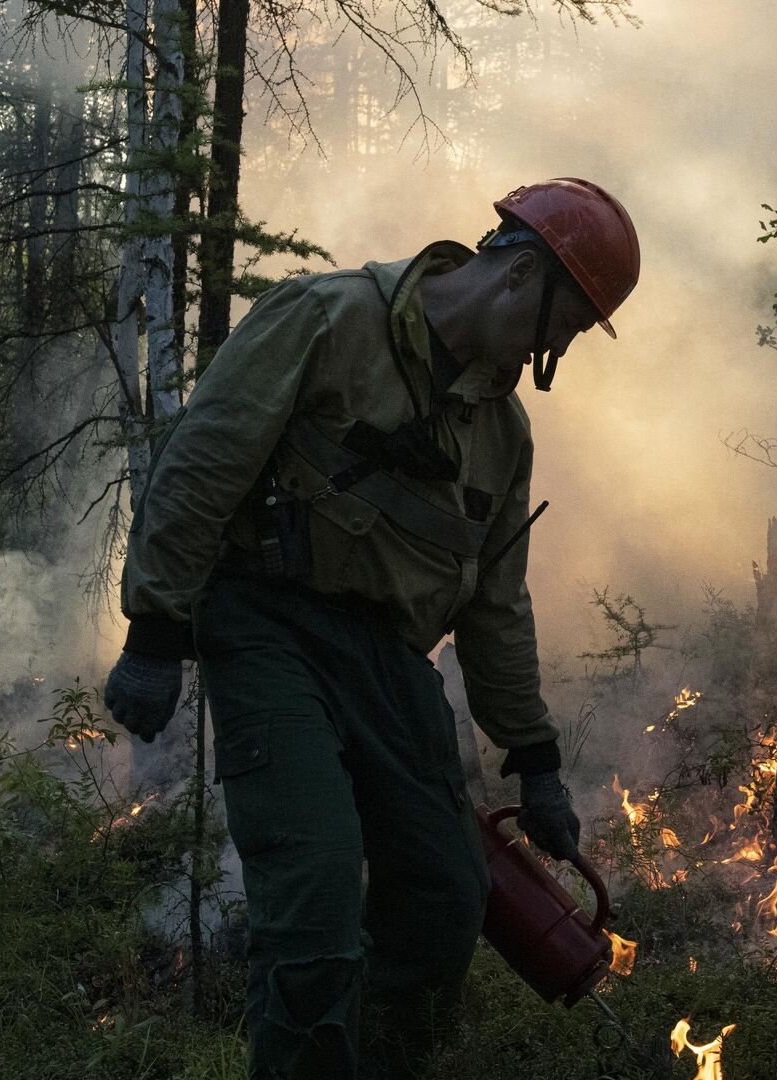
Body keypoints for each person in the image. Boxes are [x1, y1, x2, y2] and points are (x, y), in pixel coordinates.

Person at [101, 178, 640, 1079]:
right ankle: (308, 1038)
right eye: (567, 324)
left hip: (390, 662)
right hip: (270, 628)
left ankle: (359, 1049)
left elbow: (495, 606)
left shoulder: (503, 435)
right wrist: (154, 628)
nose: (557, 349)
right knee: (313, 893)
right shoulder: (325, 319)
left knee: (446, 894)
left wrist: (535, 758)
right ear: (520, 275)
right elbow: (201, 465)